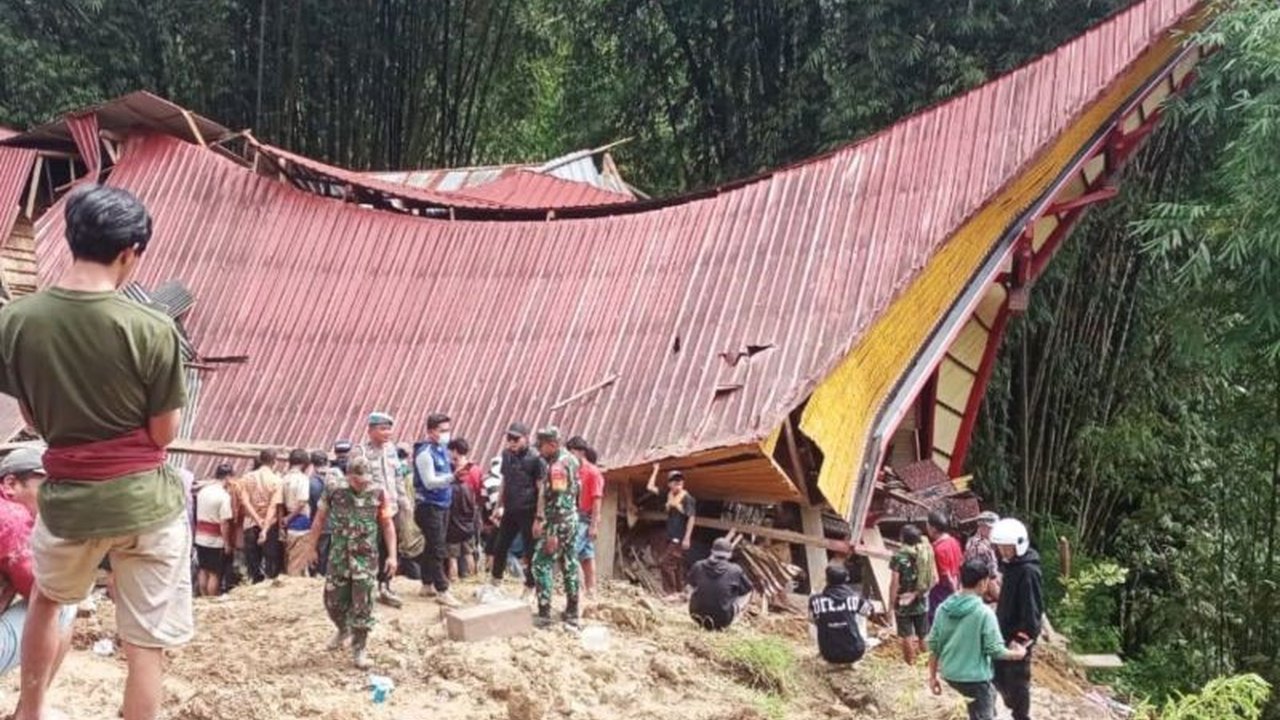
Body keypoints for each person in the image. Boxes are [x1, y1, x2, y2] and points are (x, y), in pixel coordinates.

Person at [0, 185, 192, 720]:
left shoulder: (16, 321)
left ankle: (30, 711)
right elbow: (163, 435)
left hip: (68, 504)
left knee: (47, 602)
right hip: (146, 506)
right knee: (143, 643)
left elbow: (34, 417)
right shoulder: (153, 327)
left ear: (71, 239)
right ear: (130, 251)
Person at [305, 458, 397, 670]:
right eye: (357, 481)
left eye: (365, 481)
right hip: (339, 556)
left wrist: (392, 555)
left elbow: (387, 524)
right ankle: (343, 628)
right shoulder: (334, 491)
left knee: (363, 604)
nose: (362, 485)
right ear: (348, 477)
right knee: (332, 601)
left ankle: (359, 649)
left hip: (366, 558)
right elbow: (319, 520)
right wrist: (311, 548)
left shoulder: (378, 492)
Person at [0, 449, 77, 696]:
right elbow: (39, 587)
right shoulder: (11, 516)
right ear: (10, 484)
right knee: (62, 605)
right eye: (46, 486)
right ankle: (29, 712)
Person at [927, 558, 1028, 720]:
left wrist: (932, 677)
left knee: (989, 698)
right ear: (983, 583)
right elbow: (995, 650)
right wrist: (1018, 654)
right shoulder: (984, 613)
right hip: (975, 680)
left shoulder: (943, 609)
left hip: (949, 675)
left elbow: (934, 646)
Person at [991, 518, 1043, 720]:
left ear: (1019, 545)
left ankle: (1022, 716)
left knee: (1017, 681)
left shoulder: (1028, 571)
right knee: (998, 676)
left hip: (1018, 635)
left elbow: (1032, 609)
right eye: (1001, 547)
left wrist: (1022, 639)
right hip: (1003, 630)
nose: (1003, 552)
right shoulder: (1013, 565)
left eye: (1007, 548)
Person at [351, 413, 405, 608]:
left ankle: (385, 585)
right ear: (370, 430)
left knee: (389, 547)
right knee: (368, 548)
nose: (387, 433)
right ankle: (365, 587)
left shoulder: (391, 450)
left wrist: (403, 499)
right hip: (370, 508)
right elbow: (354, 482)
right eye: (382, 429)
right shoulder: (361, 453)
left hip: (391, 506)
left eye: (389, 428)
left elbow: (397, 475)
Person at [530, 427, 580, 627]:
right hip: (572, 519)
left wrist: (551, 531)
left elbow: (558, 499)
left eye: (541, 446)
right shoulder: (573, 460)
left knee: (540, 563)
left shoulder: (557, 467)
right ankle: (573, 610)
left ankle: (544, 612)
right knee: (570, 563)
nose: (540, 451)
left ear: (552, 444)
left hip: (559, 521)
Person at [490, 423, 546, 593]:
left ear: (525, 438)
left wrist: (539, 515)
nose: (512, 442)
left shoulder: (536, 458)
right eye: (509, 438)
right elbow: (504, 481)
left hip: (528, 510)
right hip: (510, 508)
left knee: (530, 551)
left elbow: (541, 488)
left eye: (516, 438)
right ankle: (495, 583)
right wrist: (498, 506)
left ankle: (530, 587)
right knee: (500, 546)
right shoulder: (506, 455)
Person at [412, 413, 459, 606]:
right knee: (438, 547)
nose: (446, 434)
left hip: (442, 504)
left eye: (448, 430)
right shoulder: (425, 453)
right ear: (431, 431)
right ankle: (442, 589)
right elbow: (429, 482)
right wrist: (452, 478)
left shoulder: (441, 450)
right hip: (429, 505)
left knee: (432, 546)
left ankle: (427, 583)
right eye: (442, 431)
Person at [646, 466, 696, 601]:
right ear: (669, 484)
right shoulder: (668, 495)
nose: (678, 483)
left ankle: (670, 592)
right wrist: (655, 469)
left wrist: (687, 538)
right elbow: (650, 487)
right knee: (677, 565)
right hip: (670, 535)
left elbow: (691, 518)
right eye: (674, 481)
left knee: (665, 563)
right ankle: (680, 592)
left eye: (680, 481)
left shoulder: (687, 498)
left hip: (679, 538)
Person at [809, 562, 874, 665]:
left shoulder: (815, 600)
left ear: (827, 580)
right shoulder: (855, 598)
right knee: (859, 611)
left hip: (828, 654)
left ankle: (821, 648)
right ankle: (862, 641)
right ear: (847, 579)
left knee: (815, 616)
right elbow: (869, 613)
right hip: (855, 653)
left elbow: (812, 621)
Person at [889, 524, 935, 665]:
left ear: (902, 538)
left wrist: (891, 603)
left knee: (906, 635)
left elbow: (894, 583)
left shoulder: (898, 557)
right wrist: (917, 594)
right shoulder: (926, 554)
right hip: (921, 600)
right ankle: (928, 664)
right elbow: (934, 579)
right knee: (923, 635)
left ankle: (911, 664)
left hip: (903, 601)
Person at [566, 436, 605, 598]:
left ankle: (579, 589)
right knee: (587, 556)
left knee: (571, 552)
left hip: (585, 517)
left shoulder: (592, 473)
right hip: (574, 514)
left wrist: (594, 524)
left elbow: (597, 499)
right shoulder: (572, 470)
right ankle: (591, 589)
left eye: (572, 452)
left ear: (581, 453)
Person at [237, 449, 284, 583]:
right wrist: (264, 528)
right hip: (270, 525)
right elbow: (273, 506)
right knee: (270, 563)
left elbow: (245, 502)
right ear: (274, 461)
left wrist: (257, 519)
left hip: (250, 523)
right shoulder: (276, 481)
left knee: (253, 565)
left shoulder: (246, 478)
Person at [686, 537, 752, 630]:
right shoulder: (735, 570)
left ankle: (699, 606)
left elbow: (689, 586)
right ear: (729, 554)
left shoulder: (698, 565)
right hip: (723, 620)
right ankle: (732, 612)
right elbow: (748, 590)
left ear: (712, 551)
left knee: (693, 587)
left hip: (696, 616)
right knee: (742, 590)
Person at [193, 463, 235, 596]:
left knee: (203, 569)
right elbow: (224, 523)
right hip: (215, 539)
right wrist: (227, 543)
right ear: (228, 477)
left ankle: (203, 597)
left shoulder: (203, 491)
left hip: (200, 537)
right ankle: (211, 599)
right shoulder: (223, 496)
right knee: (214, 572)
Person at [445, 438, 480, 580]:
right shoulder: (476, 470)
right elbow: (478, 493)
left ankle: (453, 578)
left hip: (453, 523)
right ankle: (472, 578)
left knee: (452, 556)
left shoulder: (451, 487)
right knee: (469, 552)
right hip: (469, 521)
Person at [280, 449, 314, 576]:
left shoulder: (284, 478)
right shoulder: (302, 479)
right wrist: (289, 518)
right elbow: (302, 502)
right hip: (300, 520)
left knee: (289, 557)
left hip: (288, 521)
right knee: (297, 561)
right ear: (304, 463)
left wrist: (285, 520)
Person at [927, 511, 963, 624]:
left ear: (933, 528)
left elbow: (946, 575)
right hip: (955, 586)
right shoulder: (954, 542)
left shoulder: (938, 549)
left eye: (927, 525)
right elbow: (960, 566)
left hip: (941, 592)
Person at [308, 451, 334, 576]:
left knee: (320, 558)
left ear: (312, 464)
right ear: (327, 461)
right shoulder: (337, 478)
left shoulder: (311, 483)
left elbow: (310, 507)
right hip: (337, 525)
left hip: (320, 526)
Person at [966, 511, 1001, 598]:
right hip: (982, 593)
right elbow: (988, 577)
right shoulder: (980, 547)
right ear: (983, 528)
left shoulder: (986, 543)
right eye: (993, 529)